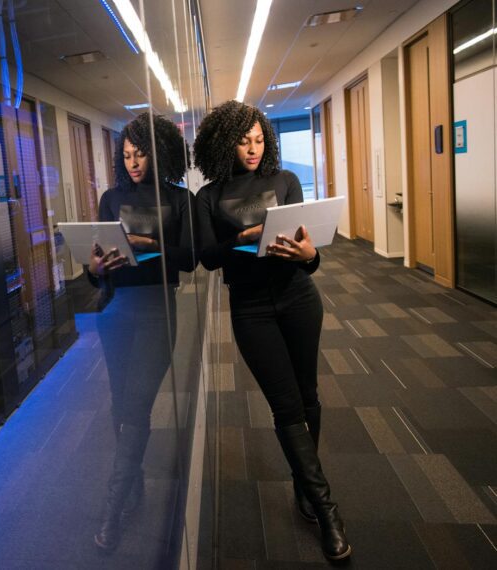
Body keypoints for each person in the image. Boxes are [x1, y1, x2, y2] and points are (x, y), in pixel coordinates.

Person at [192, 100, 351, 561]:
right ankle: (327, 512)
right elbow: (207, 256)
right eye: (244, 141)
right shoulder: (209, 196)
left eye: (260, 139)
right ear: (225, 142)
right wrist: (240, 239)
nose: (254, 148)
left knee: (308, 395)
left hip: (298, 297)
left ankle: (305, 484)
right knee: (285, 407)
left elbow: (309, 250)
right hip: (251, 308)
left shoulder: (285, 181)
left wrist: (310, 256)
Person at [86, 112, 195, 552]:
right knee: (121, 404)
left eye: (141, 153)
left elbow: (189, 260)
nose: (133, 162)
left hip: (156, 312)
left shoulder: (179, 198)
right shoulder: (111, 198)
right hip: (116, 311)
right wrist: (94, 269)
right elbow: (98, 270)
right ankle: (133, 486)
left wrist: (152, 245)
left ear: (159, 151)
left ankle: (113, 509)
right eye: (127, 155)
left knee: (136, 403)